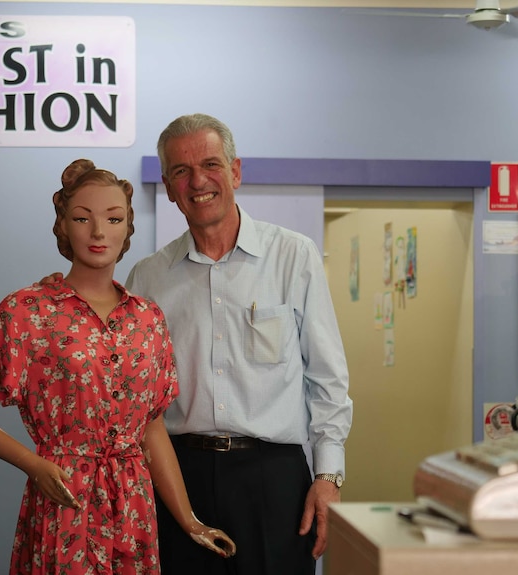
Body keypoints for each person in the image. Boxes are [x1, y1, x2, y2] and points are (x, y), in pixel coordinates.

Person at [0, 158, 236, 575]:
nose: (99, 232)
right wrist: (35, 464)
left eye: (113, 219)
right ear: (63, 225)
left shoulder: (147, 319)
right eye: (83, 218)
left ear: (127, 228)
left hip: (133, 506)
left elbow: (150, 427)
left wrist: (189, 519)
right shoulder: (27, 311)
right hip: (64, 496)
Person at [125, 113, 353, 574]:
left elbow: (327, 378)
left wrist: (328, 476)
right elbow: (135, 400)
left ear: (235, 171)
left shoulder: (294, 256)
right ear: (168, 187)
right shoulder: (147, 278)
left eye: (210, 164)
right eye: (181, 171)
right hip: (177, 477)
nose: (198, 181)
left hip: (274, 479)